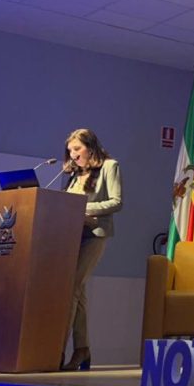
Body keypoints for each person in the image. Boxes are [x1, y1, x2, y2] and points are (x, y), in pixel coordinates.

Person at [61, 129, 122, 371]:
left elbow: (117, 202)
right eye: (70, 151)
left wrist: (84, 208)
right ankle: (82, 350)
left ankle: (56, 350)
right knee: (78, 293)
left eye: (77, 149)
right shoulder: (75, 174)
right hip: (70, 236)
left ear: (90, 147)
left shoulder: (109, 166)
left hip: (94, 234)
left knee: (71, 288)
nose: (73, 155)